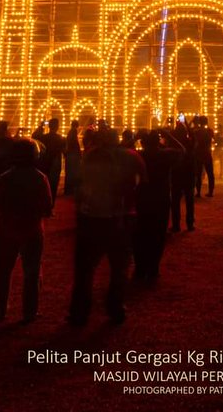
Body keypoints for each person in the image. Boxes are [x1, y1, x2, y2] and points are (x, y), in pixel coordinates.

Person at [68, 126, 145, 326]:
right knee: (119, 267)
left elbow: (80, 185)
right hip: (120, 216)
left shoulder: (91, 156)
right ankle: (115, 307)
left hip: (91, 216)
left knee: (85, 268)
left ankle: (80, 311)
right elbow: (144, 182)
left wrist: (81, 210)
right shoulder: (131, 156)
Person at [0, 138, 53, 322]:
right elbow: (47, 207)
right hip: (31, 229)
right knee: (32, 272)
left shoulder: (5, 178)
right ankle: (29, 312)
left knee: (3, 271)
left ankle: (1, 310)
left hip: (6, 229)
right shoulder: (40, 178)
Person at [133, 129, 183, 282]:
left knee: (140, 234)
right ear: (158, 141)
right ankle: (153, 268)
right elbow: (182, 150)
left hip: (142, 197)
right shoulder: (164, 155)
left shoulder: (139, 155)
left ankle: (140, 268)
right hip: (160, 198)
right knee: (158, 235)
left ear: (144, 142)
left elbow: (123, 151)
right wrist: (168, 135)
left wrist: (135, 137)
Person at [170, 118, 196, 232]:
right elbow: (194, 137)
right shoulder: (189, 143)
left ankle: (176, 225)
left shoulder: (173, 145)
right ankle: (190, 224)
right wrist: (187, 125)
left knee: (175, 201)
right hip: (189, 174)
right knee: (189, 201)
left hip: (177, 175)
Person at [40, 117, 65, 205]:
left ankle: (44, 204)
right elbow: (64, 151)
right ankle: (51, 205)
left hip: (46, 163)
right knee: (53, 185)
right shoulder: (60, 138)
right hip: (55, 163)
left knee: (45, 185)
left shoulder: (44, 138)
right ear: (57, 127)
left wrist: (40, 126)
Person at [194, 116, 215, 198]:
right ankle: (210, 191)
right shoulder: (209, 131)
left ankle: (198, 192)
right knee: (210, 173)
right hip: (207, 153)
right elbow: (213, 138)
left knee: (198, 174)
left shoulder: (197, 131)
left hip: (199, 154)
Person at [63, 120, 81, 196]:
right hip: (72, 154)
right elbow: (74, 143)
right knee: (72, 172)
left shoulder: (70, 132)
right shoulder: (73, 132)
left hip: (70, 154)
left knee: (69, 172)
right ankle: (70, 190)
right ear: (76, 125)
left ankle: (68, 189)